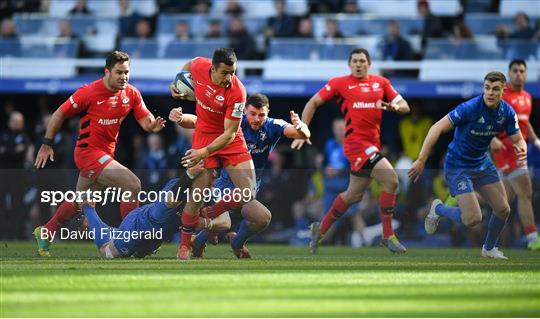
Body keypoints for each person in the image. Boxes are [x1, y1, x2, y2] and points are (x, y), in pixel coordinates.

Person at [33, 50, 166, 257]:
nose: (124, 77)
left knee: (82, 201)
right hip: (87, 153)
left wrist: (153, 126)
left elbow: (146, 119)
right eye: (119, 72)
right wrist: (47, 144)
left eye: (126, 72)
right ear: (107, 72)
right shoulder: (89, 92)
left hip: (105, 155)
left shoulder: (131, 93)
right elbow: (60, 113)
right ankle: (131, 238)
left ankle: (46, 231)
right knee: (132, 184)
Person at [293, 48, 410, 254]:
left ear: (369, 64)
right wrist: (303, 128)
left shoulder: (381, 83)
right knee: (392, 180)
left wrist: (395, 108)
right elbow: (313, 102)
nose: (358, 64)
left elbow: (404, 105)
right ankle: (387, 235)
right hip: (356, 144)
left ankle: (320, 229)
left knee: (353, 195)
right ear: (349, 64)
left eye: (362, 61)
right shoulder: (339, 83)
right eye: (354, 61)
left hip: (372, 144)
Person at [169, 93, 311, 257]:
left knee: (262, 218)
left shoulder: (273, 125)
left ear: (268, 113)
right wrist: (180, 118)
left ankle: (235, 243)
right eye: (252, 114)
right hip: (225, 186)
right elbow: (197, 122)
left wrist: (301, 126)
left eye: (261, 115)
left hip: (247, 189)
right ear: (244, 111)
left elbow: (301, 134)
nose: (257, 119)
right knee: (222, 222)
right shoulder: (234, 122)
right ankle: (199, 237)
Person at [409, 71, 527, 260]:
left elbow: (519, 139)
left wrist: (522, 149)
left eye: (495, 89)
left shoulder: (507, 112)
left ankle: (488, 249)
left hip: (482, 163)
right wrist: (422, 159)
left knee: (503, 209)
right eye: (487, 88)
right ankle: (438, 209)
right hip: (458, 165)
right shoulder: (470, 108)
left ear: (503, 90)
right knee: (473, 219)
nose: (490, 93)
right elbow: (436, 127)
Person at [169, 48, 253, 260]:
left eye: (233, 72)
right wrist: (175, 84)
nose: (229, 78)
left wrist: (203, 152)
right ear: (212, 69)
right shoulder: (199, 66)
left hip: (229, 139)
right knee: (197, 193)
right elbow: (188, 65)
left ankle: (211, 213)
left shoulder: (238, 91)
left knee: (248, 192)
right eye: (224, 73)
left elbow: (230, 133)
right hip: (204, 135)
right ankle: (184, 246)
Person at [80, 166, 230, 258]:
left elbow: (226, 222)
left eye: (214, 177)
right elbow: (174, 201)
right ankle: (88, 208)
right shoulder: (176, 189)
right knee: (107, 253)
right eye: (210, 177)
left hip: (156, 238)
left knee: (139, 255)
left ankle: (102, 226)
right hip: (138, 227)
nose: (213, 182)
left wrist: (208, 224)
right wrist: (203, 224)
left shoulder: (207, 193)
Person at [490, 59, 540, 250]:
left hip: (520, 151)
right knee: (525, 192)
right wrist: (490, 139)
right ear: (509, 74)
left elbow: (525, 124)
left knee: (503, 203)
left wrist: (535, 140)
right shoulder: (501, 97)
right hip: (506, 151)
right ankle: (533, 238)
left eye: (522, 71)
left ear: (526, 74)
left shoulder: (527, 97)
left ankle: (458, 201)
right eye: (515, 71)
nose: (518, 74)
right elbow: (487, 119)